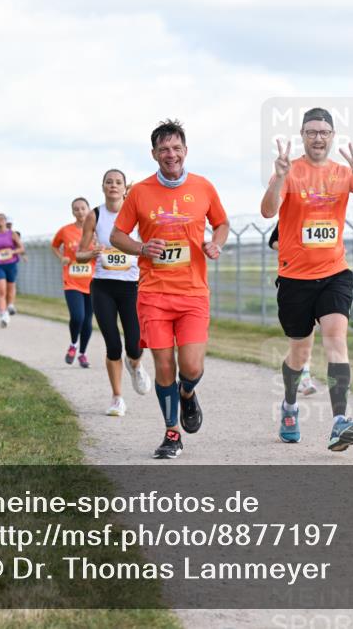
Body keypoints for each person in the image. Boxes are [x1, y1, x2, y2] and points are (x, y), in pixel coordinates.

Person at [260, 107, 353, 451]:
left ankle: (339, 421)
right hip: (294, 278)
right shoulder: (291, 171)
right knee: (299, 355)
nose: (318, 137)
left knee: (336, 341)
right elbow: (267, 211)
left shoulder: (344, 173)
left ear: (332, 137)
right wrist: (278, 178)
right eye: (312, 131)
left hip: (334, 272)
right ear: (302, 136)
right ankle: (289, 406)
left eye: (324, 132)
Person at [111, 119, 229, 459]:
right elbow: (118, 235)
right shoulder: (140, 192)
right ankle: (172, 433)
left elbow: (221, 223)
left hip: (192, 292)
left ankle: (187, 394)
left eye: (176, 148)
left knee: (190, 367)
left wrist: (216, 244)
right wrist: (141, 248)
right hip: (153, 293)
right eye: (164, 149)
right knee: (164, 366)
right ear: (154, 154)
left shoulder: (203, 187)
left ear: (185, 151)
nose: (171, 154)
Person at [78, 171, 151, 416]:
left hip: (130, 286)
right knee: (112, 345)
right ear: (103, 187)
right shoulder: (94, 215)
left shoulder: (136, 213)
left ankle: (136, 365)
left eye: (118, 182)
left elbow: (148, 243)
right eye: (109, 182)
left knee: (134, 344)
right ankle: (117, 398)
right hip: (103, 286)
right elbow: (79, 253)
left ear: (123, 188)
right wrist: (93, 253)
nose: (113, 186)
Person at [268, 224, 319, 396]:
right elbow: (273, 241)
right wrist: (294, 249)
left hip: (323, 276)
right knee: (300, 334)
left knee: (313, 331)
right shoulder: (291, 212)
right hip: (296, 278)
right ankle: (300, 373)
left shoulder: (324, 213)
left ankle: (304, 373)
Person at [51, 198, 96, 368]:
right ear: (73, 212)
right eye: (76, 209)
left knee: (87, 321)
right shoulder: (65, 230)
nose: (80, 212)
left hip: (92, 282)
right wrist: (61, 257)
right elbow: (55, 246)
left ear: (88, 210)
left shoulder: (96, 231)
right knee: (78, 316)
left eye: (83, 208)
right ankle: (73, 344)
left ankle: (82, 354)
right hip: (71, 281)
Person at [0, 213, 24, 328]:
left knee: (10, 287)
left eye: (2, 219)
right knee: (1, 290)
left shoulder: (12, 235)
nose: (0, 221)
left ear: (5, 221)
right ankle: (3, 314)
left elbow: (21, 248)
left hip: (11, 264)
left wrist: (13, 252)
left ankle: (10, 305)